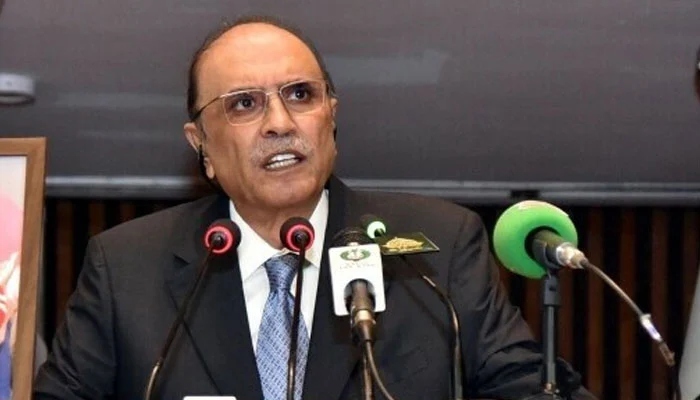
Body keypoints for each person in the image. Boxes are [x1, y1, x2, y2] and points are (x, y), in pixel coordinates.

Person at [34, 15, 596, 400]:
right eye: (244, 104)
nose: (280, 123)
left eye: (300, 94)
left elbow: (527, 387)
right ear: (200, 144)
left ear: (331, 115)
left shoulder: (437, 247)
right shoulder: (126, 268)